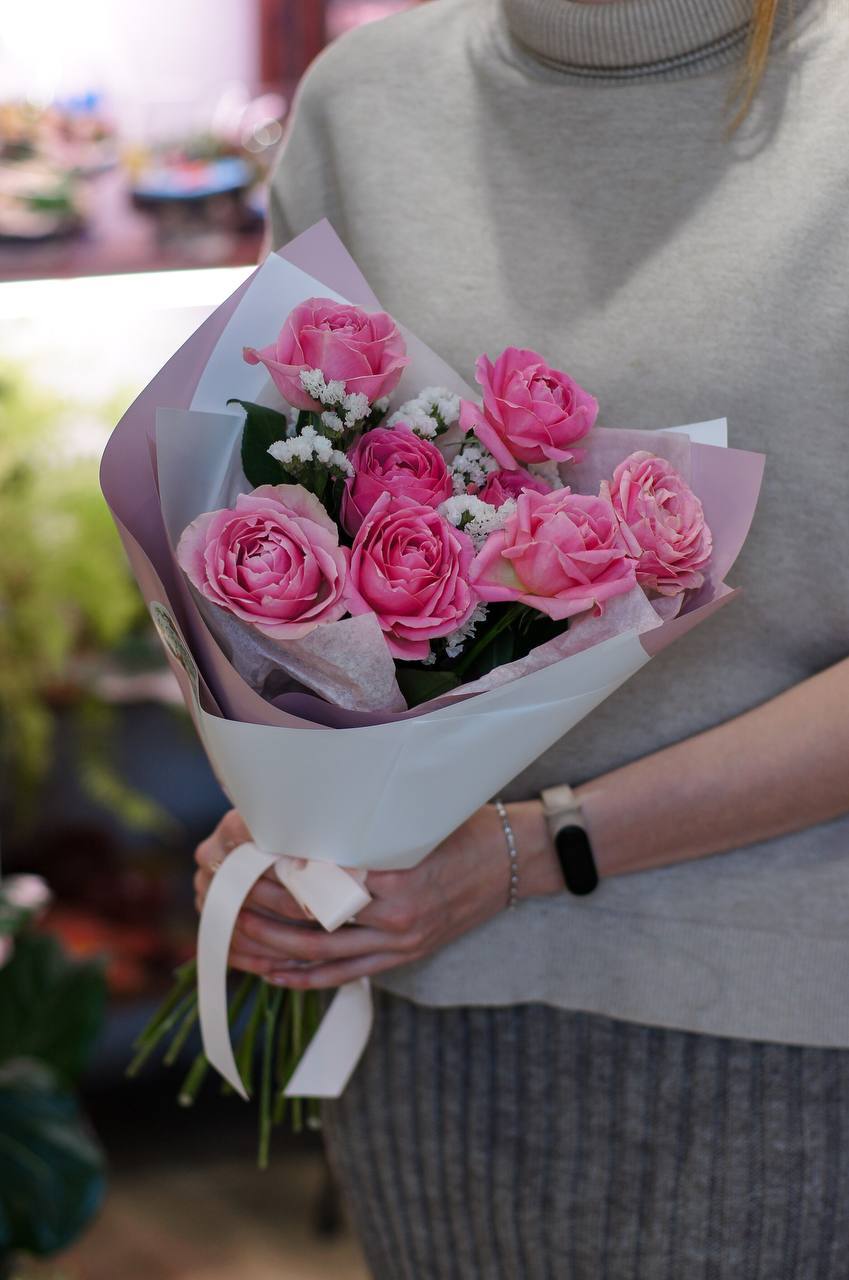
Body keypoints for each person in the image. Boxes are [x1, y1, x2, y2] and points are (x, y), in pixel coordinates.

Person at [194, 0, 849, 1274]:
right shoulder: (365, 101)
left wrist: (526, 852)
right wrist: (285, 812)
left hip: (789, 1026)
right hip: (428, 1019)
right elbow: (273, 506)